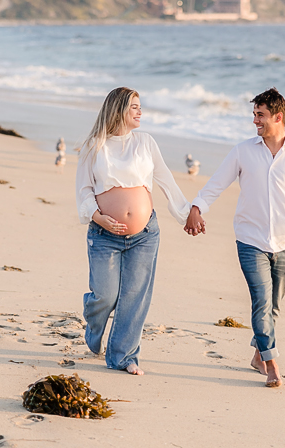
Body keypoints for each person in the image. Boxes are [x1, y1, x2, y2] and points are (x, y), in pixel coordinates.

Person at [184, 87, 285, 388]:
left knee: (274, 305)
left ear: (278, 117)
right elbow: (217, 183)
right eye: (254, 115)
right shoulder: (243, 151)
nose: (255, 121)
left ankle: (257, 356)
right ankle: (273, 364)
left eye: (260, 115)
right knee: (261, 302)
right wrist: (197, 207)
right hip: (250, 240)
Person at [76, 87, 191, 375]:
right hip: (104, 235)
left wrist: (186, 215)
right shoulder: (94, 145)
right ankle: (94, 323)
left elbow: (165, 179)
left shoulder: (146, 143)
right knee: (104, 295)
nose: (140, 112)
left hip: (144, 235)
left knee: (134, 297)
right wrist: (99, 217)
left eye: (140, 107)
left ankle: (123, 357)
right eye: (134, 107)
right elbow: (84, 190)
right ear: (118, 110)